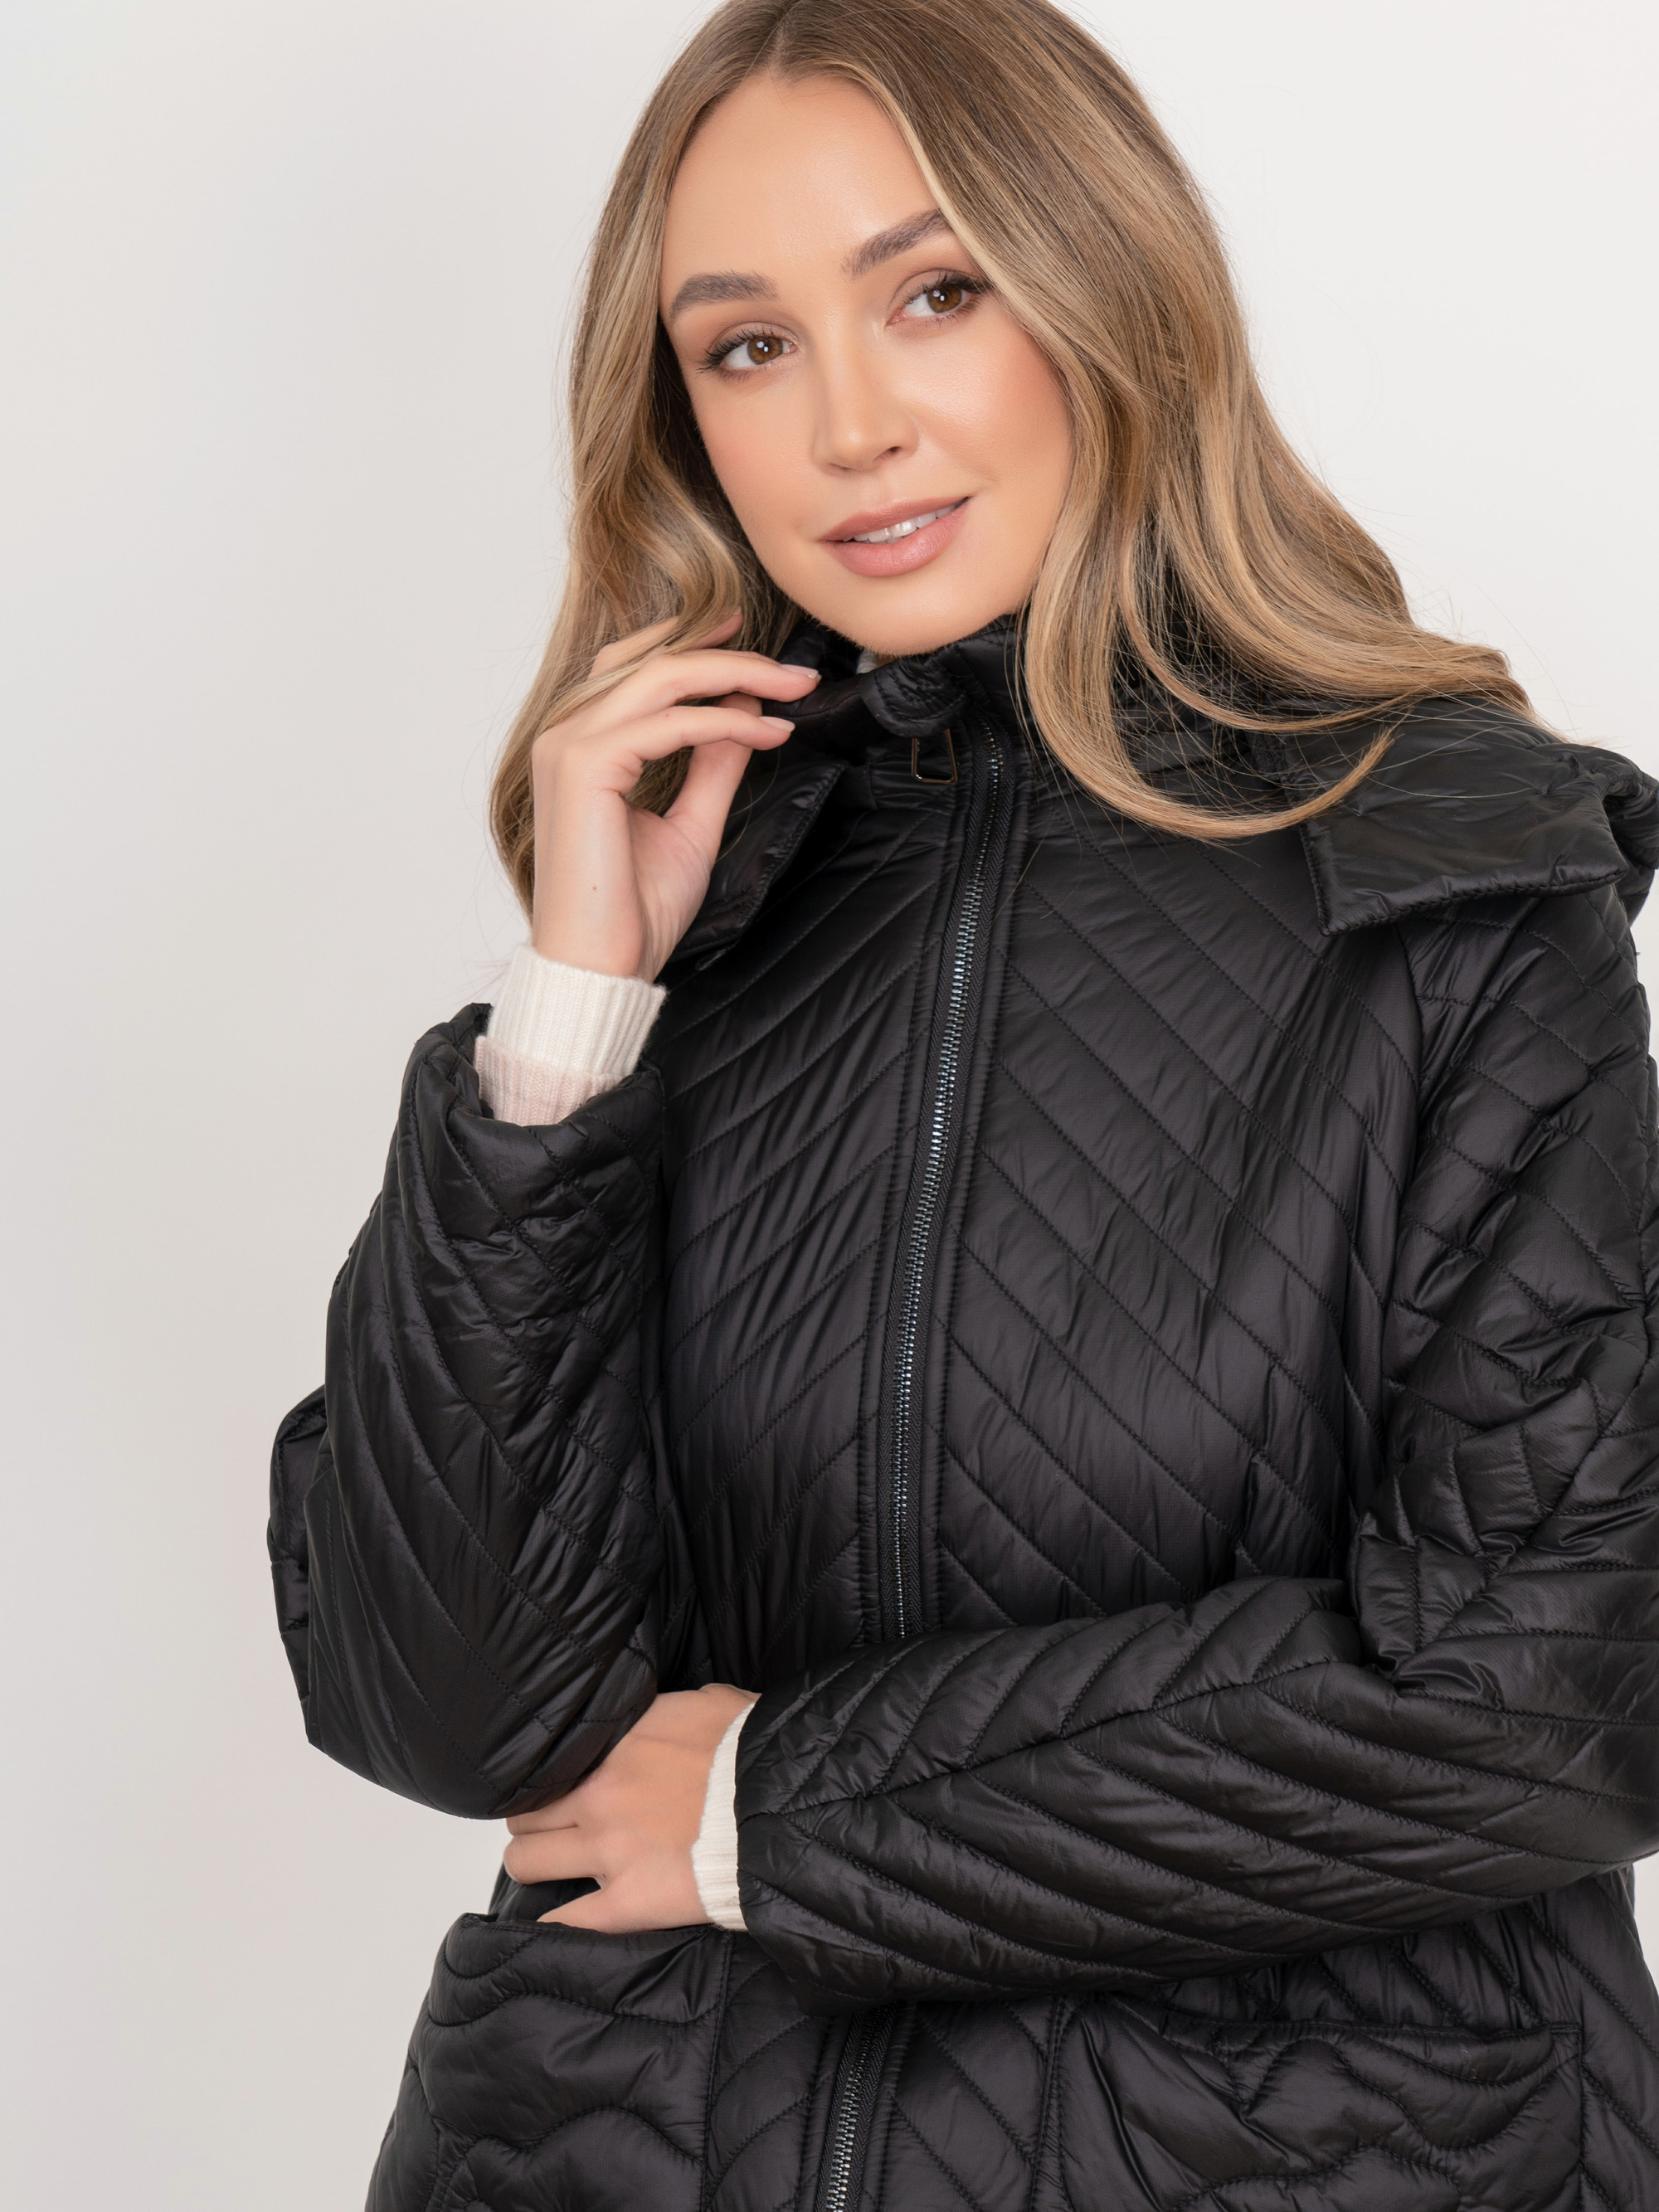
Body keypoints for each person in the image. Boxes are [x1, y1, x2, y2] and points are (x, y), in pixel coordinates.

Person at [267, 2, 1659, 2204]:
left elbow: (1553, 1683)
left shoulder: (1452, 886)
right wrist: (571, 1016)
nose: (851, 426)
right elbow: (443, 1706)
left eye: (934, 294)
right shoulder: (696, 919)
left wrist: (780, 1812)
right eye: (747, 347)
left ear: (1107, 291)